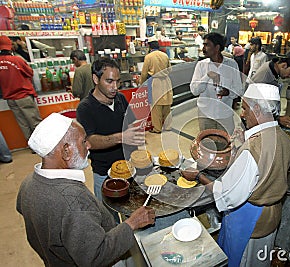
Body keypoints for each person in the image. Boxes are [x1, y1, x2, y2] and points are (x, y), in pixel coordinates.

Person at [17, 112, 155, 266]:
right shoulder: (73, 201)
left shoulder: (27, 183)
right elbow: (95, 256)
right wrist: (132, 223)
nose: (89, 145)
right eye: (83, 141)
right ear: (66, 151)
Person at [182, 84, 290, 266]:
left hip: (249, 220)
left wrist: (199, 176)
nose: (242, 114)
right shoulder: (283, 137)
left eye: (245, 108)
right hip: (272, 216)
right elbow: (264, 171)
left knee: (243, 260)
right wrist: (241, 146)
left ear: (257, 108)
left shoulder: (253, 149)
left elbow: (227, 195)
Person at [76, 58, 145, 201]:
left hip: (129, 169)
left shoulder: (120, 98)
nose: (115, 87)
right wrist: (121, 137)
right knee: (108, 217)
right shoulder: (85, 108)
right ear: (96, 79)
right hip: (104, 174)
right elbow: (90, 141)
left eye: (117, 81)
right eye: (109, 81)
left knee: (132, 212)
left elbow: (130, 124)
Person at [190, 32, 244, 134]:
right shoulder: (201, 65)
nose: (203, 48)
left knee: (225, 146)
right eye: (203, 45)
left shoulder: (231, 65)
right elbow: (194, 91)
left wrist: (228, 92)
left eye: (207, 45)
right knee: (207, 146)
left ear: (217, 47)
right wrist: (207, 76)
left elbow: (239, 90)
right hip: (205, 115)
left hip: (225, 115)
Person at [0, 36, 42, 143]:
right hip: (23, 96)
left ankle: (31, 145)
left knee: (22, 123)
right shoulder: (17, 60)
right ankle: (41, 144)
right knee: (34, 122)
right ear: (10, 47)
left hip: (10, 98)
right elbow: (30, 73)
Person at [250, 49, 290, 130]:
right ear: (284, 65)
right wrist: (278, 119)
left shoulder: (273, 68)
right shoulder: (265, 79)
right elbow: (256, 110)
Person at [139, 36, 173, 134]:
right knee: (167, 107)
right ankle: (168, 126)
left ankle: (157, 129)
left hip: (155, 82)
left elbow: (144, 73)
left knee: (155, 108)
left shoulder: (148, 57)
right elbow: (170, 69)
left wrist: (141, 84)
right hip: (166, 81)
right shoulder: (165, 55)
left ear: (149, 46)